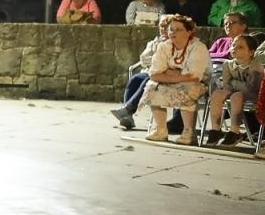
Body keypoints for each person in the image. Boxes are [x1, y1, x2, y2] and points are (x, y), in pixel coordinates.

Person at [142, 15, 211, 144]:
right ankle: (160, 129)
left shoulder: (198, 47)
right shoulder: (164, 46)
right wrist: (178, 75)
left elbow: (193, 76)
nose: (173, 33)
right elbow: (154, 74)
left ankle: (189, 132)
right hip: (174, 81)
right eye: (171, 29)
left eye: (178, 29)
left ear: (189, 32)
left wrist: (168, 72)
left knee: (187, 88)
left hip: (199, 83)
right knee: (152, 86)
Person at [111, 14, 172, 131]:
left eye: (166, 25)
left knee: (148, 79)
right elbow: (143, 59)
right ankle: (128, 116)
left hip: (163, 74)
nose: (163, 28)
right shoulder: (154, 42)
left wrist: (154, 60)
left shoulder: (174, 42)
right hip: (150, 71)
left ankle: (128, 108)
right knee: (135, 79)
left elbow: (166, 62)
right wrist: (155, 60)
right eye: (161, 26)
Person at [203, 33, 259, 146]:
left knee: (236, 96)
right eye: (233, 45)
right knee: (217, 94)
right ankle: (216, 129)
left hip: (253, 95)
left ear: (251, 52)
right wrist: (234, 85)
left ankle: (235, 131)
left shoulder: (255, 66)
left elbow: (251, 88)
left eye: (240, 47)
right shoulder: (227, 64)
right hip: (236, 92)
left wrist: (233, 84)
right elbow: (227, 86)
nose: (234, 48)